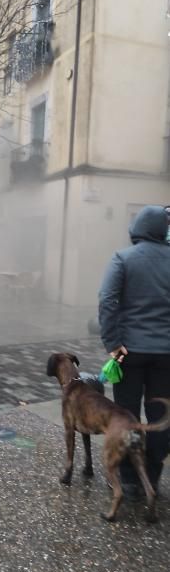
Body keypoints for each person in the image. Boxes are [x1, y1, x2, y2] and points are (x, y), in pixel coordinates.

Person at [99, 205, 170, 497]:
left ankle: (128, 479)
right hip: (166, 355)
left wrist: (113, 343)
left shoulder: (123, 258)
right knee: (159, 415)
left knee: (126, 415)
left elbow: (107, 301)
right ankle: (151, 477)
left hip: (129, 353)